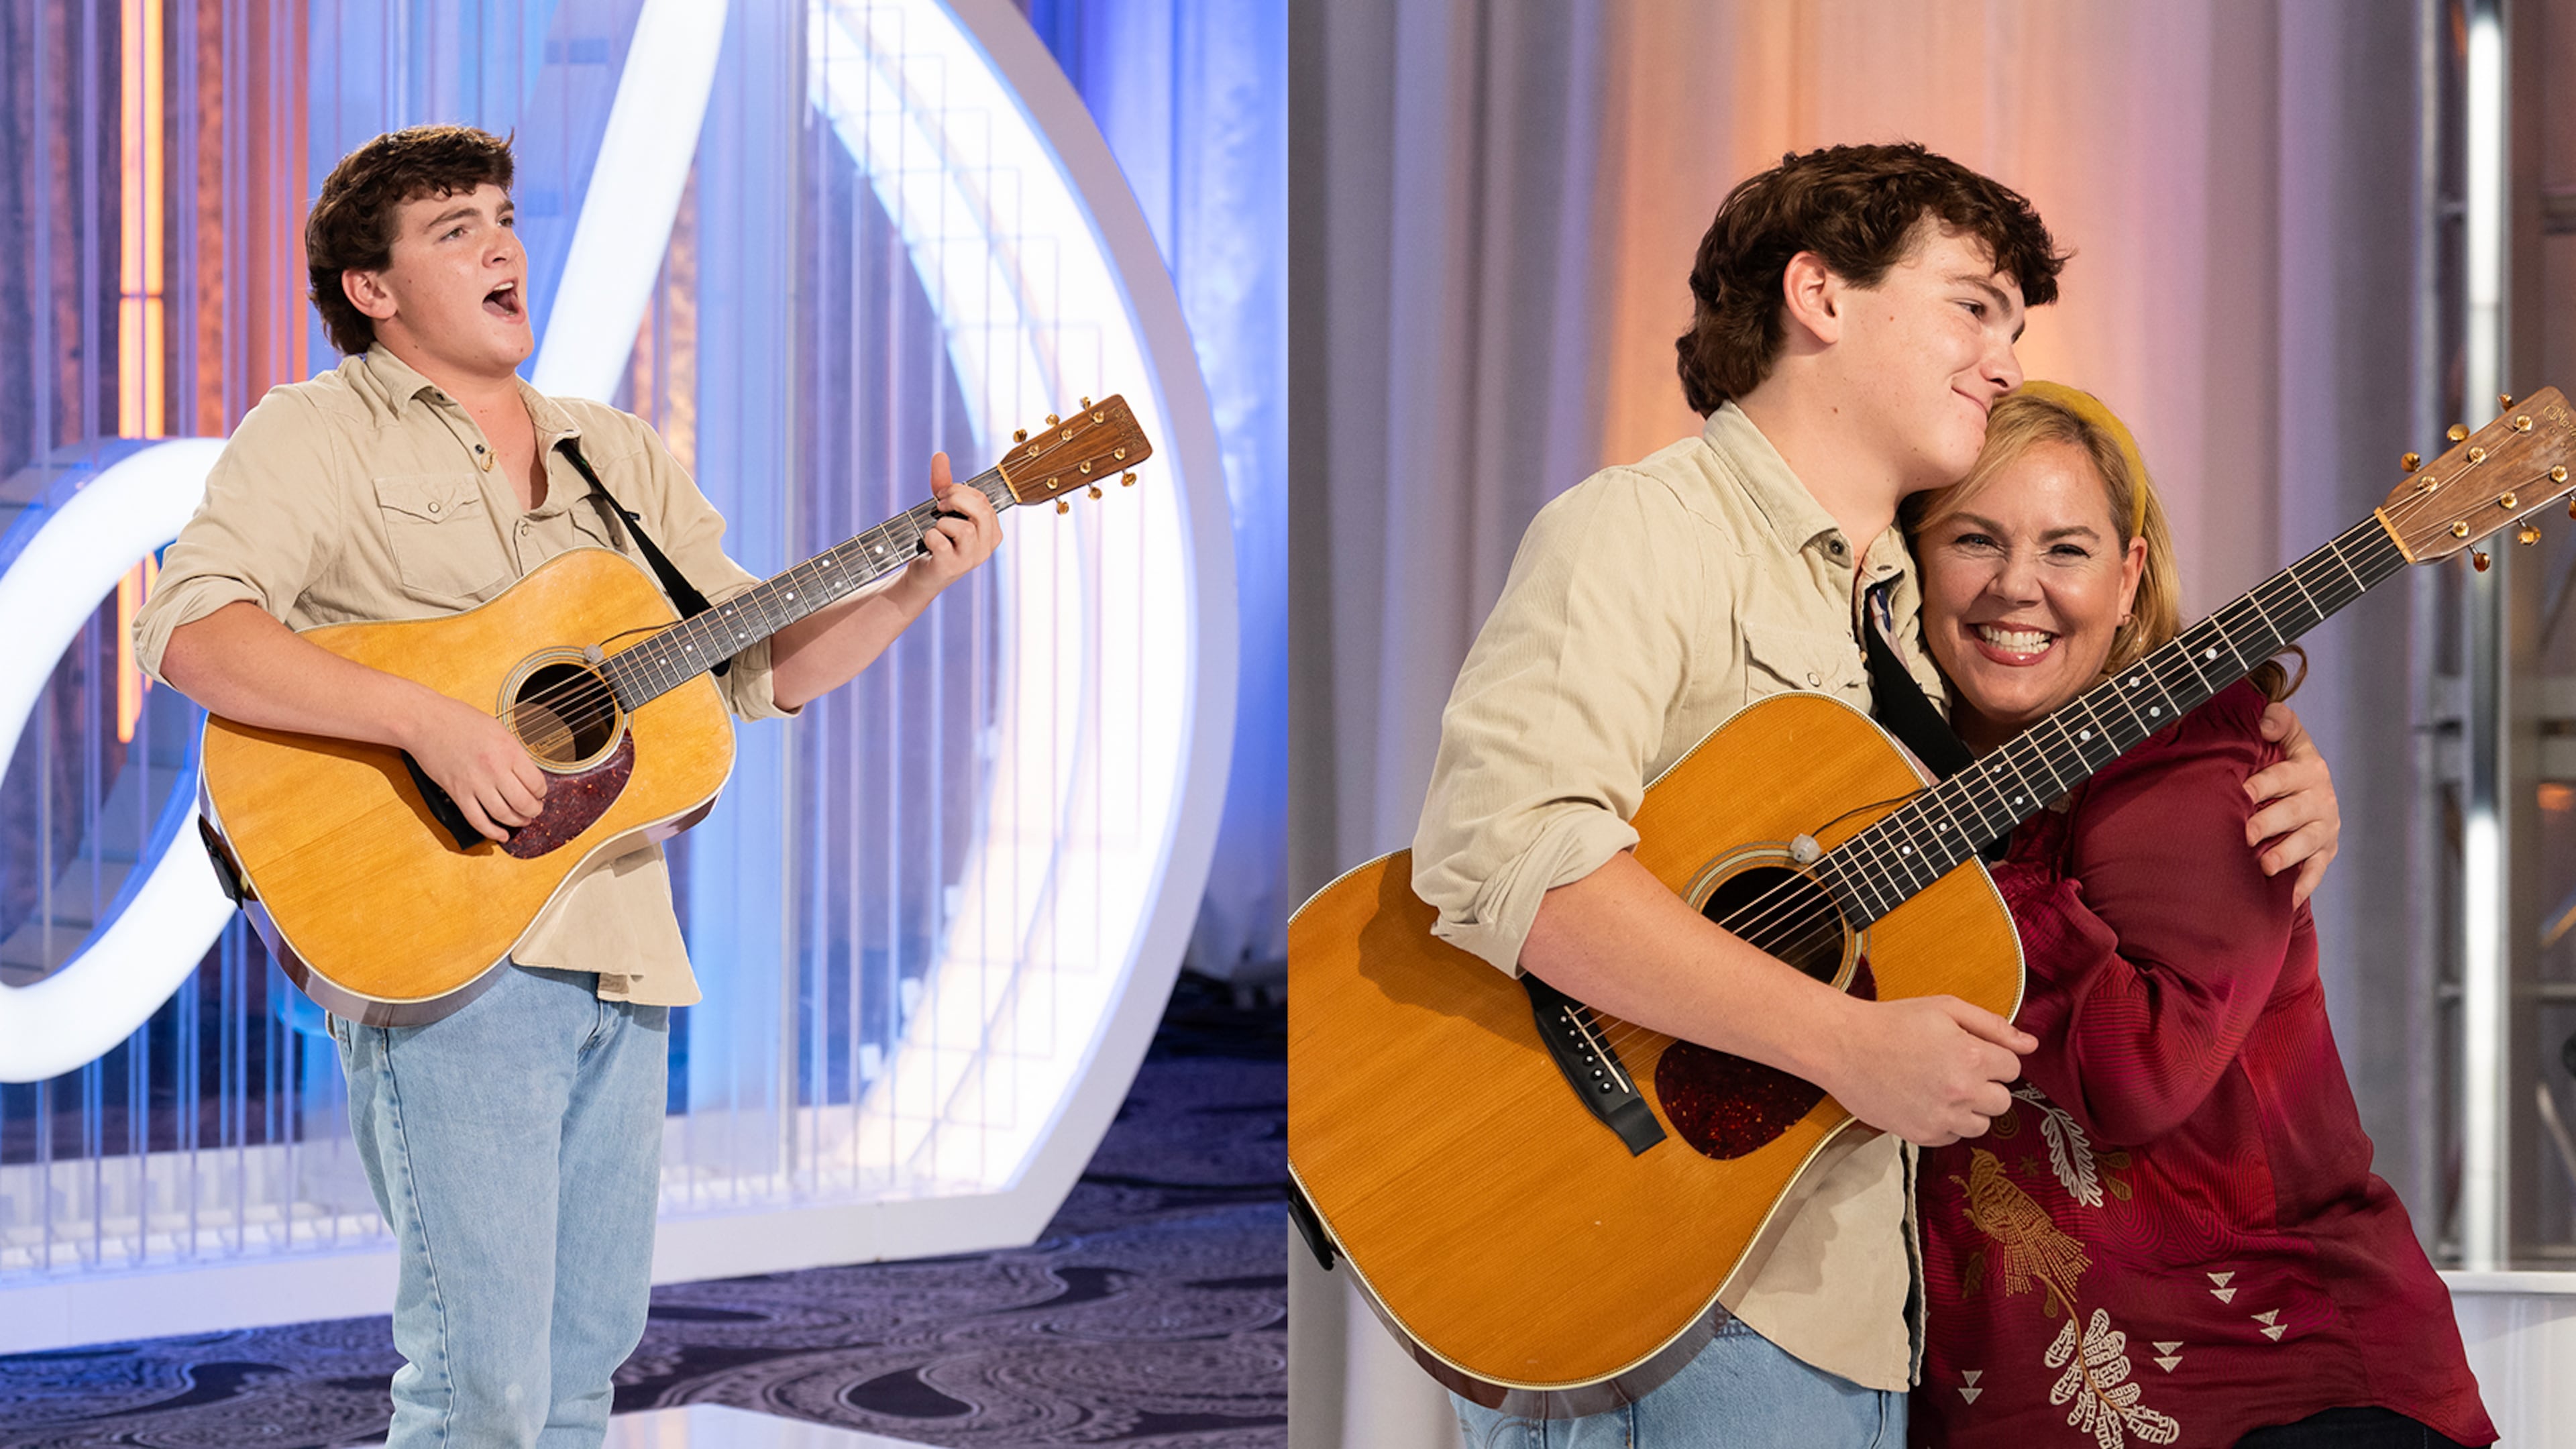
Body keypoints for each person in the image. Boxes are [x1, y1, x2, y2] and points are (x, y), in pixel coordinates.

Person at [1413, 144, 2342, 1446]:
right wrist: (1843, 1045)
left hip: (1847, 1311)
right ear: (1821, 296)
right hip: (1674, 1298)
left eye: (2015, 325)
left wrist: (2268, 763)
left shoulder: (1900, 619)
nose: (2006, 356)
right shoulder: (1641, 533)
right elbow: (1510, 859)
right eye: (1973, 305)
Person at [131, 125, 1000, 1447]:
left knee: (584, 1372)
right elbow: (194, 633)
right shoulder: (315, 433)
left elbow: (757, 672)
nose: (500, 245)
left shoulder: (615, 452)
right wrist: (429, 722)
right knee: (482, 1389)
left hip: (625, 947)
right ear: (371, 290)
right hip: (452, 953)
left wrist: (919, 581)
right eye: (453, 228)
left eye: (503, 216)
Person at [1906, 383, 2492, 1449]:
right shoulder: (1875, 784)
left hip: (2275, 1394)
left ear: (2130, 577)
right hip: (2012, 1406)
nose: (2015, 587)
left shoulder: (2198, 759)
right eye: (1974, 538)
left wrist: (1968, 858)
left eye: (2068, 549)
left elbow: (2141, 1072)